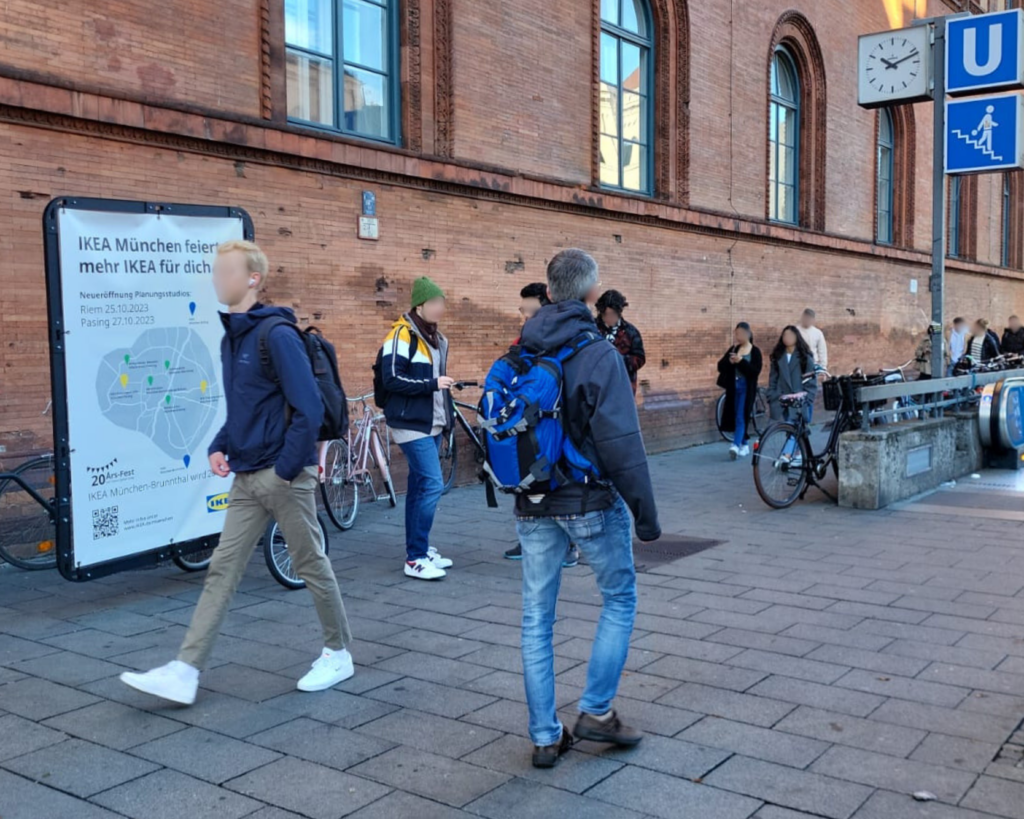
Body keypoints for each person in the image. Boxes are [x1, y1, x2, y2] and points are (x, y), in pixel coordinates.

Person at [120, 241, 354, 705]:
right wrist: (219, 444)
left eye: (227, 270)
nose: (216, 278)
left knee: (309, 564)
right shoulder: (233, 338)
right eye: (215, 270)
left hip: (283, 475)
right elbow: (245, 408)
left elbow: (307, 408)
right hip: (247, 475)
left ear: (253, 279)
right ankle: (185, 671)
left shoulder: (277, 335)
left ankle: (338, 652)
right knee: (222, 570)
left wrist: (286, 470)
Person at [515, 249, 660, 769]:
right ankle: (595, 711)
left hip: (532, 502)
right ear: (593, 296)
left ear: (549, 292)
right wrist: (645, 514)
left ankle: (544, 736)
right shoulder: (599, 354)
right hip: (589, 500)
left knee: (537, 617)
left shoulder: (522, 347)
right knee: (619, 598)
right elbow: (622, 443)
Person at [379, 277, 456, 581]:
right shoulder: (400, 335)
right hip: (411, 425)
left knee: (419, 487)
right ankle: (415, 559)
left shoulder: (438, 338)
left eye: (442, 303)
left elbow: (437, 382)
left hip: (433, 423)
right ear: (420, 305)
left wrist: (446, 414)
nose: (440, 308)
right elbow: (391, 378)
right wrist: (431, 384)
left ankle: (419, 548)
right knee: (433, 484)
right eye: (435, 303)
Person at [505, 283, 579, 568]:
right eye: (523, 311)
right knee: (529, 484)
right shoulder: (522, 341)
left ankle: (569, 546)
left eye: (531, 311)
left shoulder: (563, 342)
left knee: (557, 484)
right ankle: (530, 541)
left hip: (556, 426)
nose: (525, 317)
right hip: (528, 425)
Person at [768, 326, 818, 461]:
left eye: (790, 335)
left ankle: (787, 454)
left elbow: (811, 382)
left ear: (797, 337)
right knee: (789, 426)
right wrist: (771, 394)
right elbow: (773, 378)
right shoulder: (778, 357)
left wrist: (808, 398)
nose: (787, 338)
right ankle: (797, 454)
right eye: (785, 335)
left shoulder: (804, 357)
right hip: (782, 398)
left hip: (799, 399)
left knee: (794, 424)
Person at [716, 322, 763, 460]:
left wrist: (741, 361)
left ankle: (735, 445)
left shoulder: (755, 352)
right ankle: (744, 444)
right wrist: (730, 362)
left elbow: (755, 371)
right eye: (736, 333)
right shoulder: (734, 349)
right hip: (733, 387)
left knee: (741, 415)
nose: (737, 336)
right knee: (736, 414)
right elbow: (720, 366)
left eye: (740, 333)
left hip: (746, 388)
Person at [595, 289, 646, 396]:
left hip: (623, 390)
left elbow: (640, 358)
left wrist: (617, 361)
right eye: (606, 314)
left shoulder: (631, 332)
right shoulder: (591, 329)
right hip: (596, 390)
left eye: (612, 314)